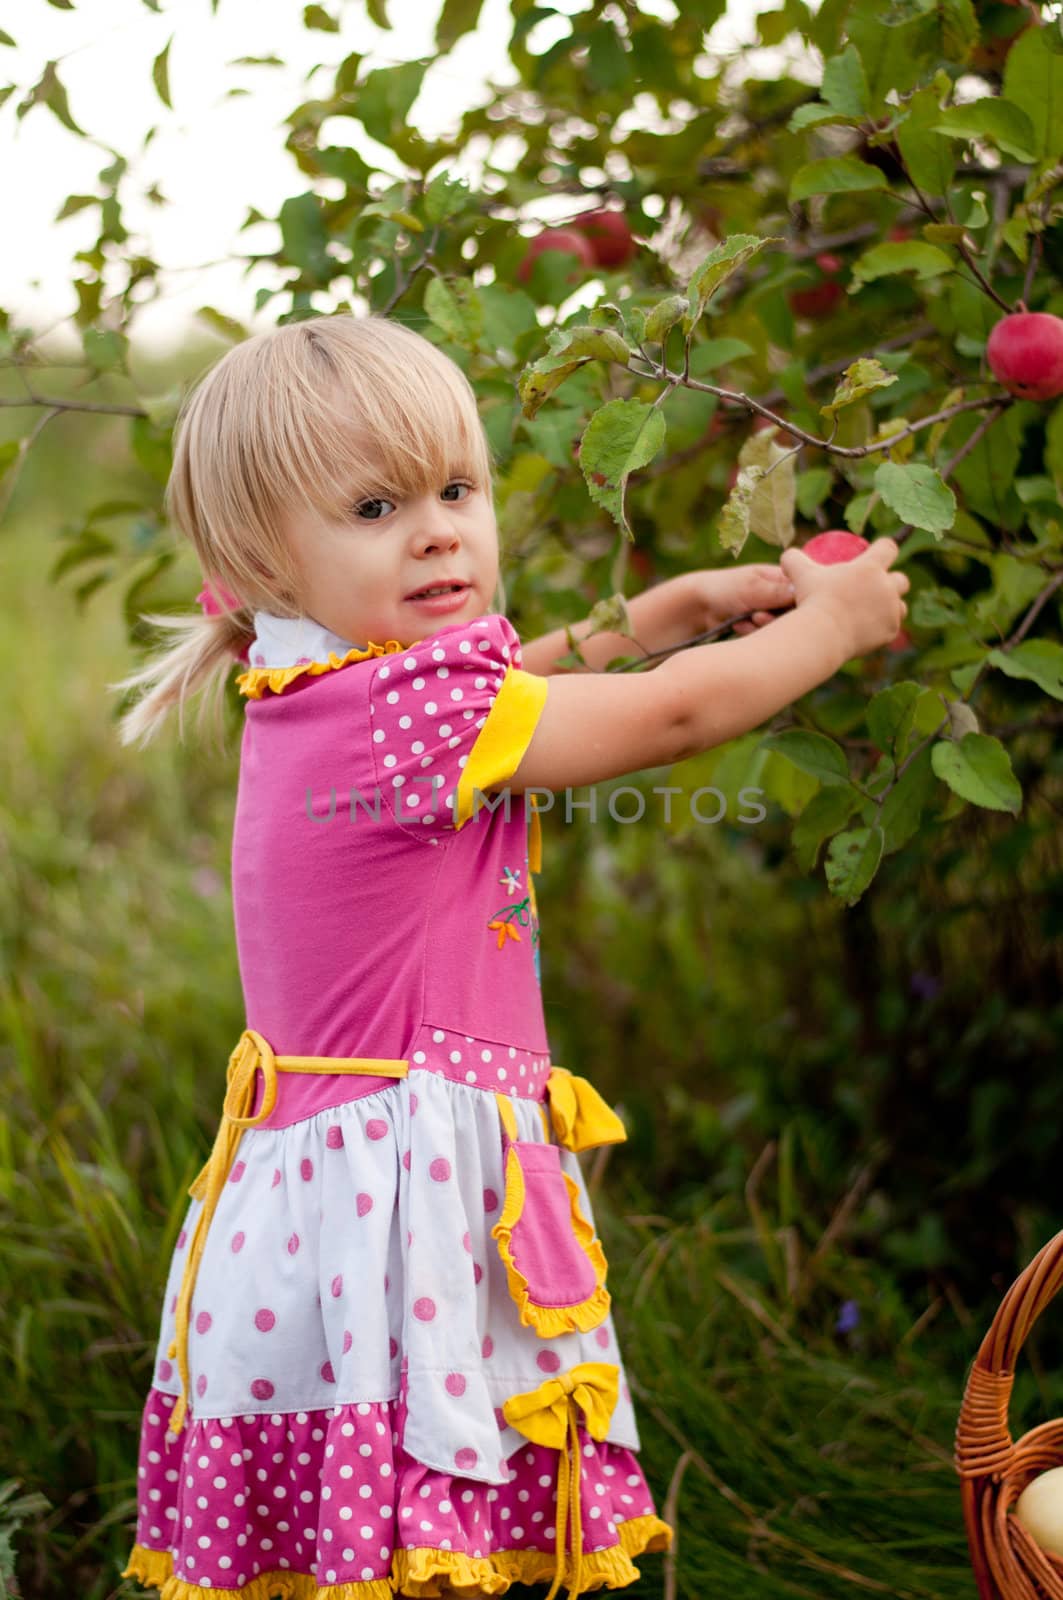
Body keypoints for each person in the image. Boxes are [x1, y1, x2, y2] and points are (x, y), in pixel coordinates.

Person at [114, 312, 909, 1600]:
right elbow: (674, 716)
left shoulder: (321, 687)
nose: (438, 529)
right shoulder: (405, 708)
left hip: (334, 1187)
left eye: (455, 489)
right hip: (402, 1193)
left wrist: (665, 607)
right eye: (376, 506)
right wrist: (835, 627)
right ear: (263, 554)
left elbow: (514, 686)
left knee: (374, 1537)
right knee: (438, 1517)